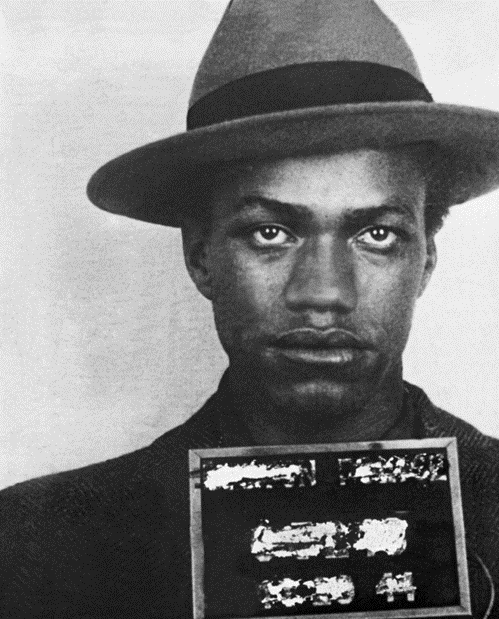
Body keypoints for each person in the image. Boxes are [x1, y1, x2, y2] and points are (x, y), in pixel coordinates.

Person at [1, 0, 498, 617]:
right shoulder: (36, 546)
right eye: (270, 233)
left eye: (376, 235)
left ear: (424, 257)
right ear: (201, 255)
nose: (322, 293)